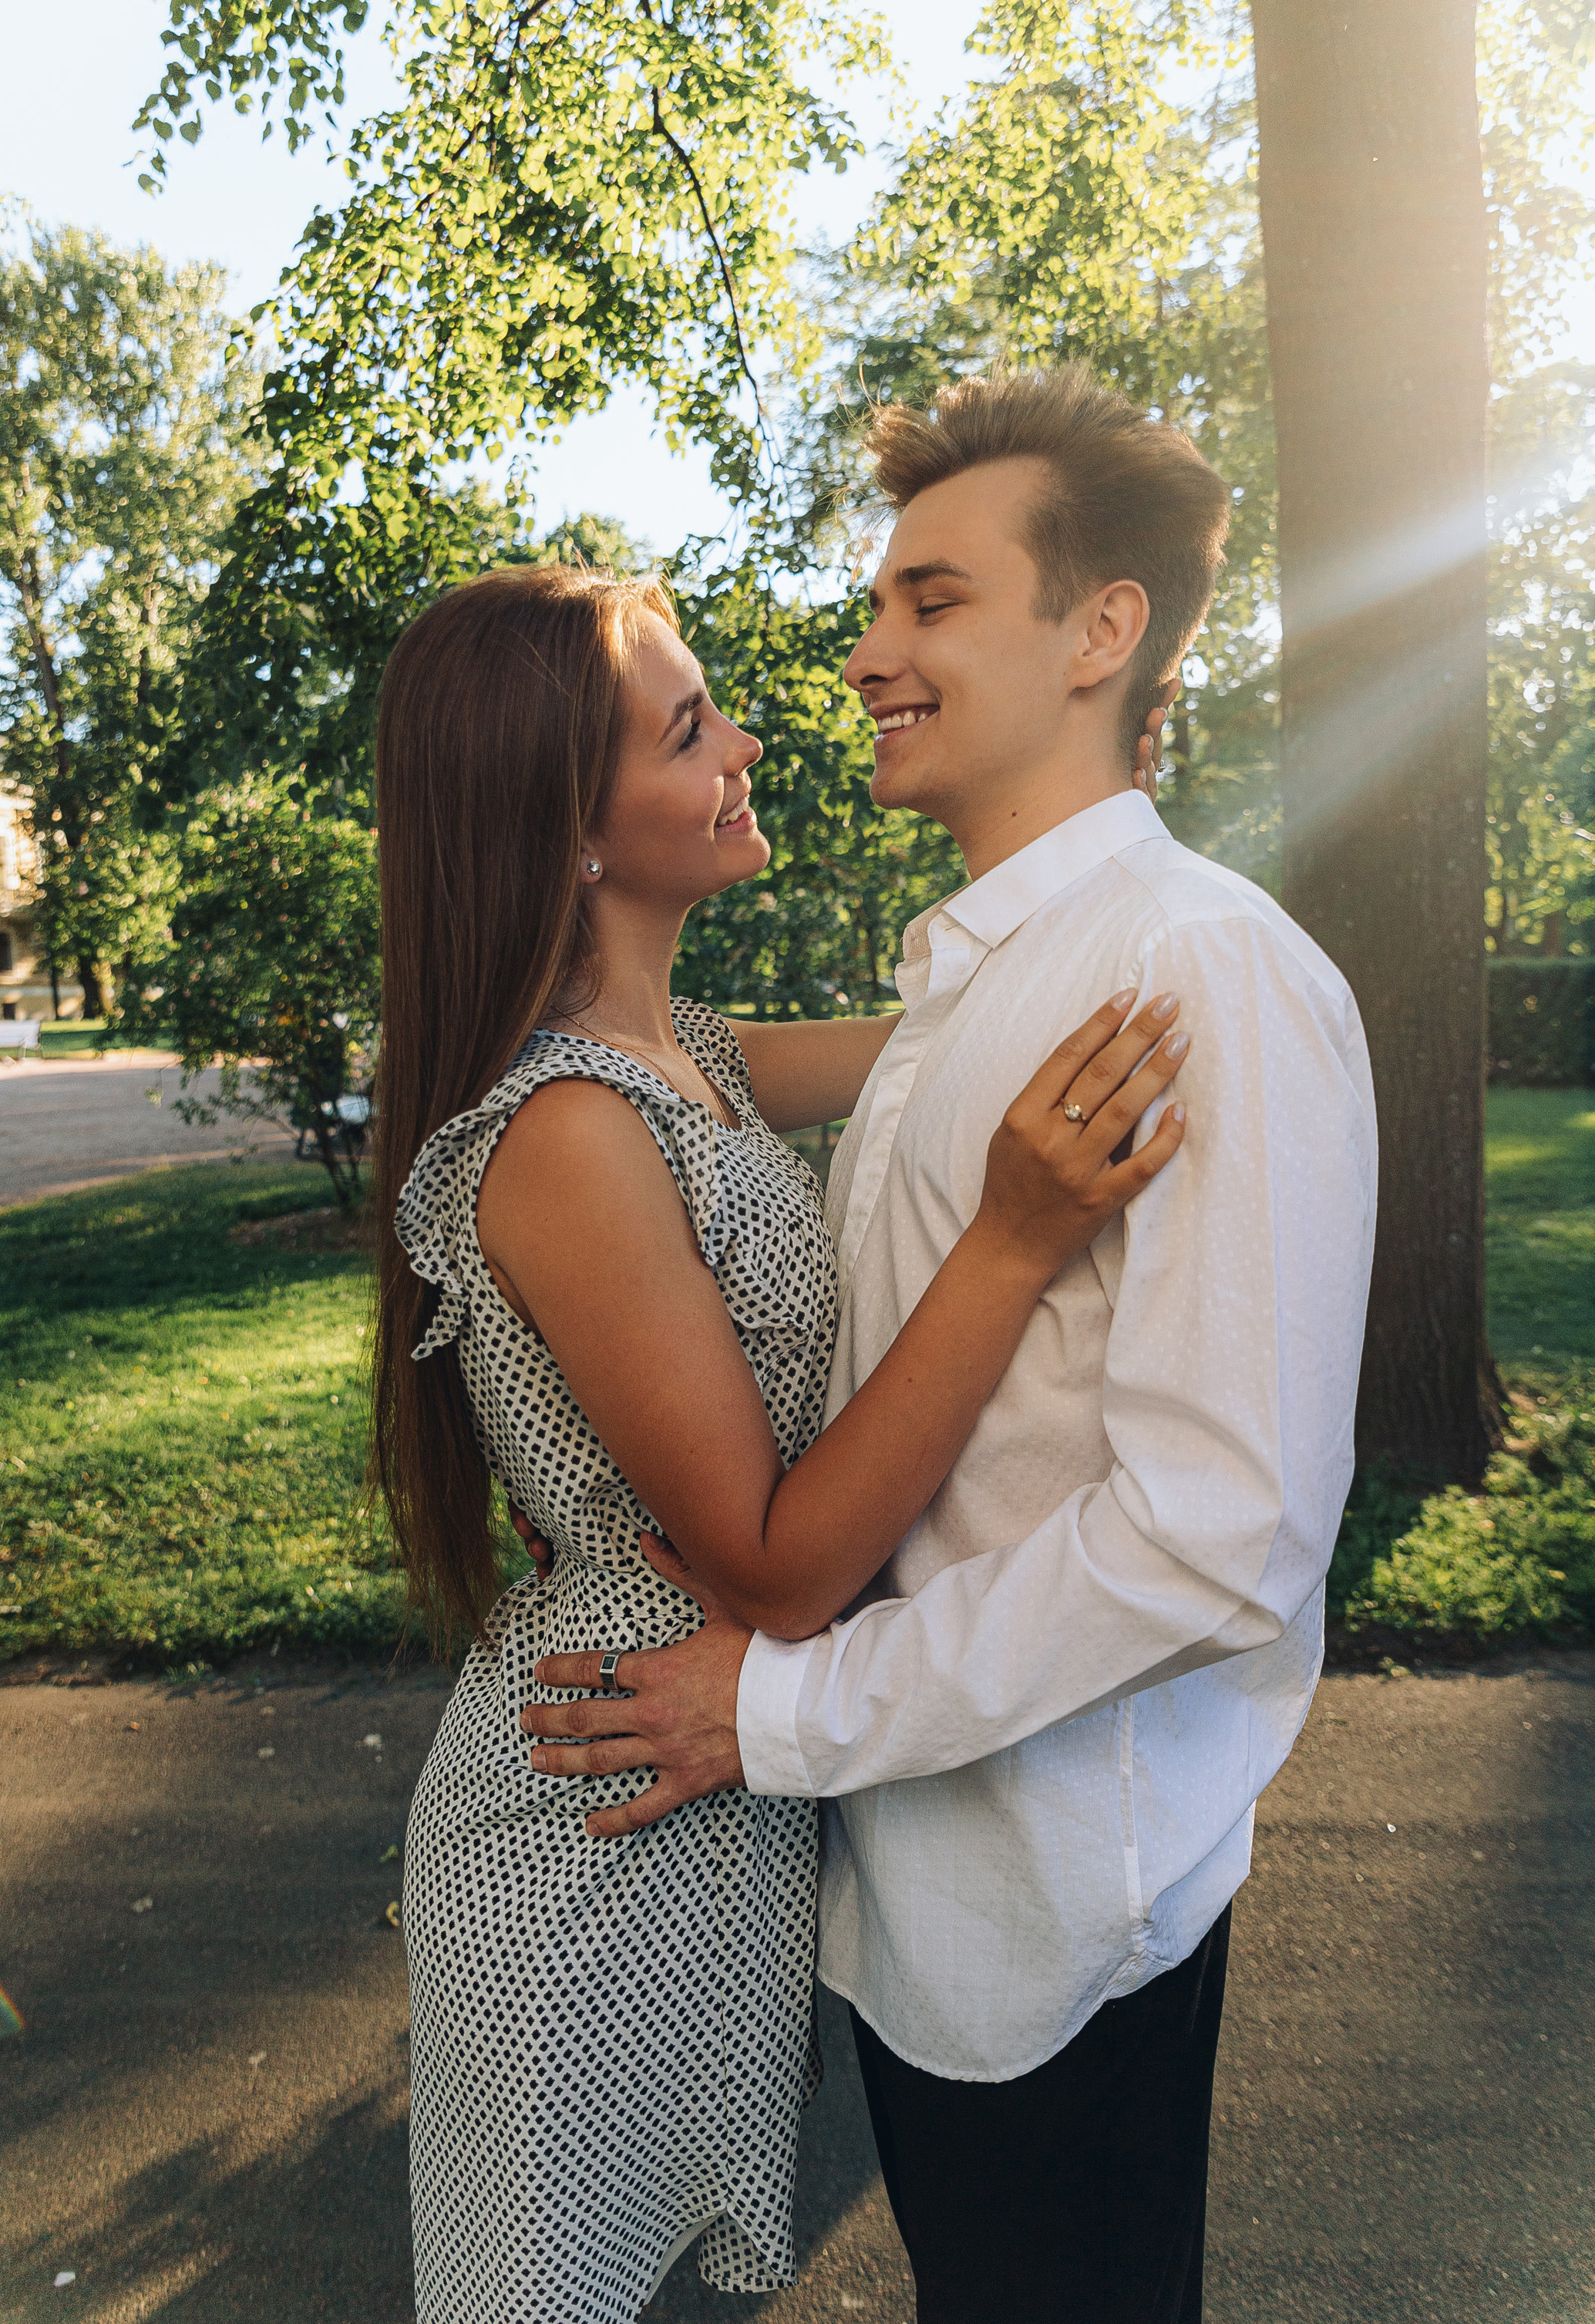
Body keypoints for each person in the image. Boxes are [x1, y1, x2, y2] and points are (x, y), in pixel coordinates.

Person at [522, 365, 1379, 2322]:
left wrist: (780, 1711)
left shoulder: (1194, 971)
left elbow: (1216, 1528)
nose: (862, 652)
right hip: (924, 1882)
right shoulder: (966, 986)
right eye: (877, 604)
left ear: (1101, 634)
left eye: (930, 600)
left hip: (1059, 1907)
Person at [370, 557, 1188, 2324]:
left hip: (720, 1789)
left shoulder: (692, 1061)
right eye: (688, 729)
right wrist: (1014, 1239)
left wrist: (1137, 880)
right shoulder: (570, 1127)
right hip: (592, 1829)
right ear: (565, 826)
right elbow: (784, 1565)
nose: (745, 740)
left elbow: (957, 1041)